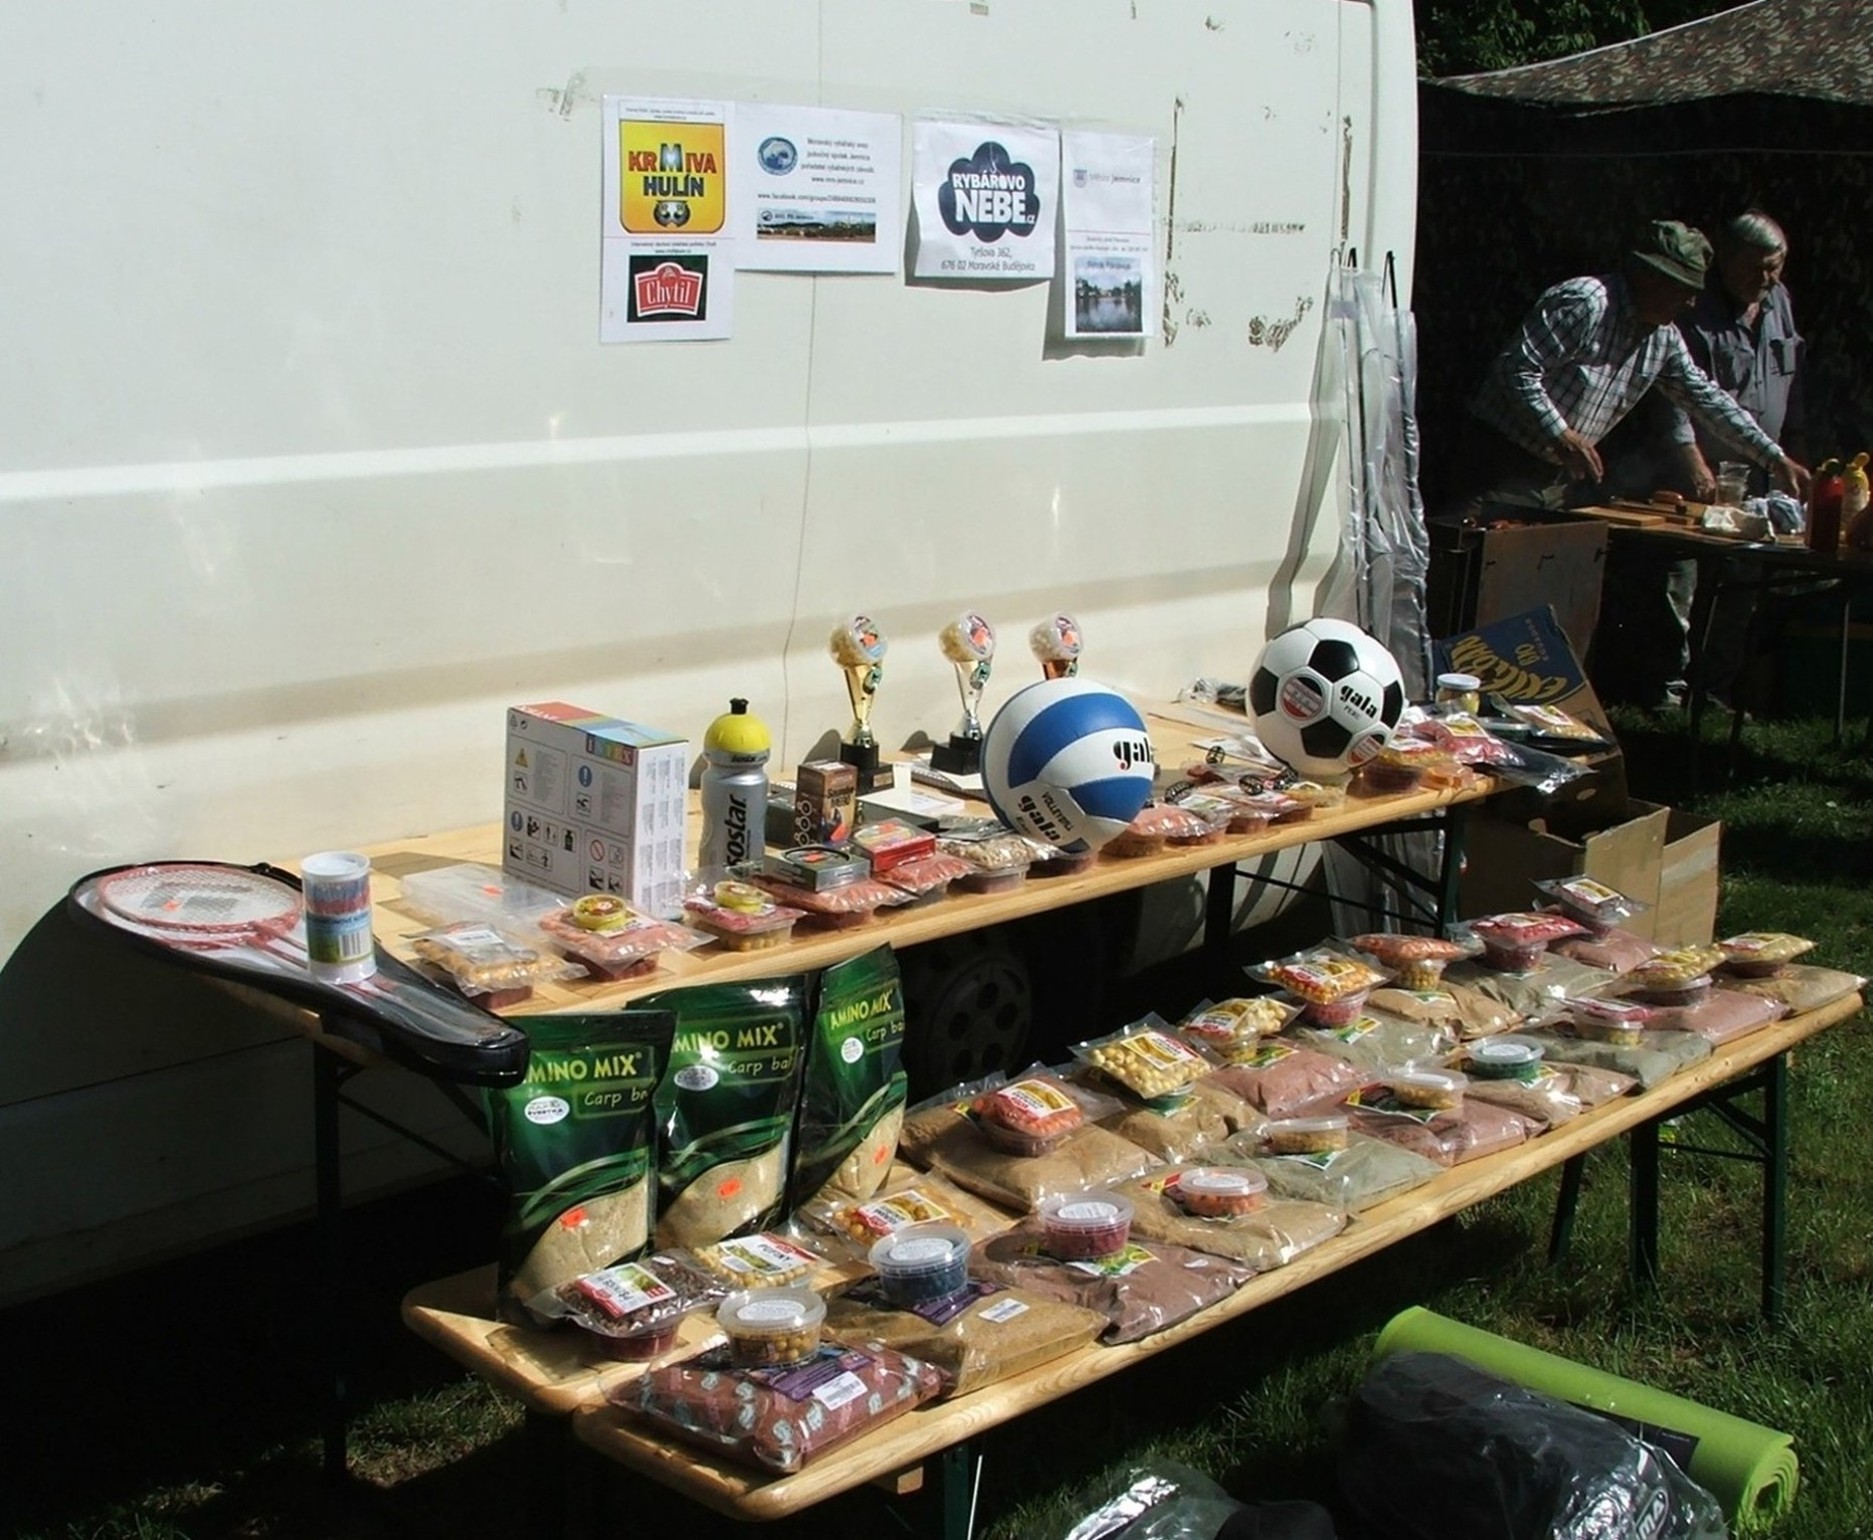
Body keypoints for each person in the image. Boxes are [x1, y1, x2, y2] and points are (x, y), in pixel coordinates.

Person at [1451, 219, 1809, 516]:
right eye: (1684, 289)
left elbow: (1707, 399)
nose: (1691, 303)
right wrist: (1561, 434)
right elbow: (1516, 369)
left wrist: (1774, 458)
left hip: (1559, 479)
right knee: (1476, 562)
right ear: (1651, 278)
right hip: (1499, 464)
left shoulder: (1663, 337)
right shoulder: (1586, 303)